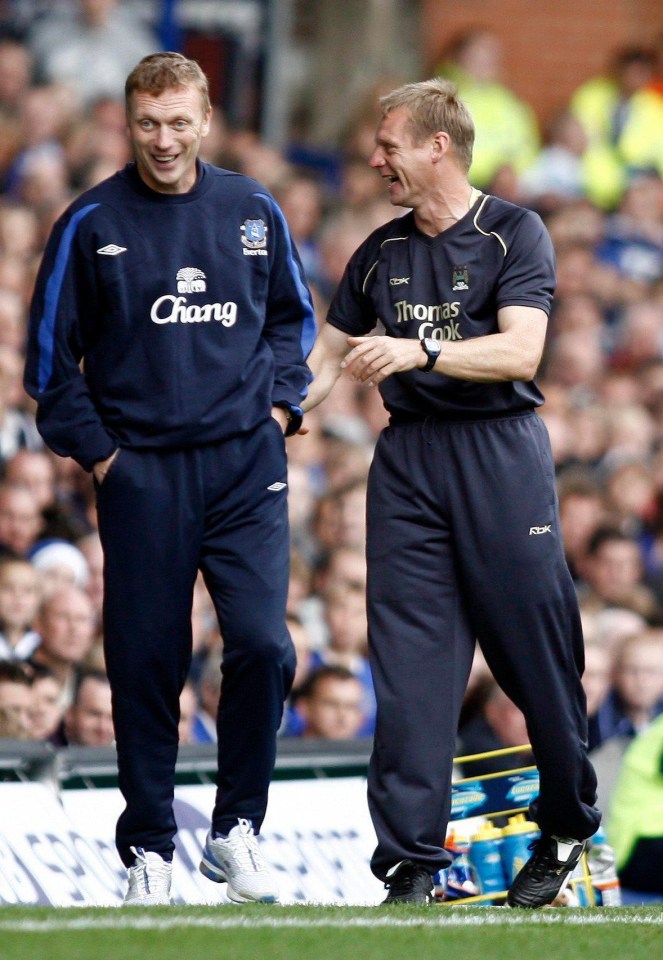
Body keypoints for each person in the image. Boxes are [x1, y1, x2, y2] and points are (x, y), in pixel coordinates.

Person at [23, 52, 316, 907]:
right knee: (147, 662)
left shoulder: (252, 207)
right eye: (148, 123)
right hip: (142, 474)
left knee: (264, 643)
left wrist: (279, 414)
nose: (164, 139)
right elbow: (48, 362)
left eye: (179, 122)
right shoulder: (89, 220)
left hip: (244, 466)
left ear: (206, 122)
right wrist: (107, 456)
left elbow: (291, 324)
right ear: (127, 122)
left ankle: (237, 832)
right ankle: (149, 846)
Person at [302, 77, 601, 907]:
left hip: (497, 453)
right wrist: (279, 411)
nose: (375, 158)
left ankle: (568, 821)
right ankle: (411, 863)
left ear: (438, 146)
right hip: (407, 464)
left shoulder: (514, 232)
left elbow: (519, 355)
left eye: (388, 143)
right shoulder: (379, 252)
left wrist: (417, 352)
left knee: (535, 661)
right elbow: (325, 360)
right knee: (409, 668)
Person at [63, 667, 115, 747]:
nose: (103, 727)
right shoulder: (46, 753)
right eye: (95, 714)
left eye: (112, 718)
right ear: (71, 713)